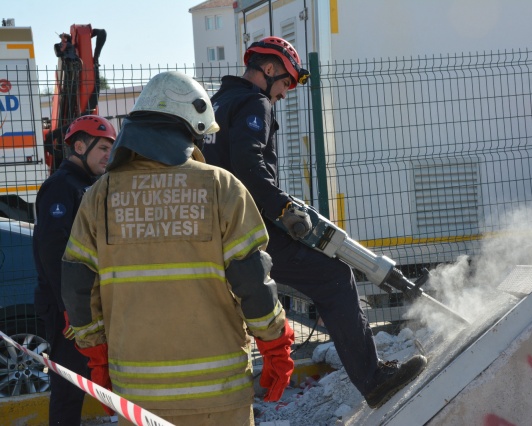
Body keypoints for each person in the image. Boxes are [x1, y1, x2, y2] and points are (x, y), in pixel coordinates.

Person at [201, 36, 428, 409]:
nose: (285, 94)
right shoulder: (253, 101)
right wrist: (284, 210)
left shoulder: (217, 103)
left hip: (218, 228)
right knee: (335, 278)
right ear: (269, 69)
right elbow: (249, 169)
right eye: (285, 83)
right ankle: (373, 381)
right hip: (246, 227)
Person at [61, 71, 293, 426]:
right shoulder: (221, 187)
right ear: (191, 129)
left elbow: (78, 288)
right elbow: (252, 281)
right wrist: (275, 344)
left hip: (138, 398)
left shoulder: (100, 197)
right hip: (220, 393)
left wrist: (97, 357)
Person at [33, 114, 116, 425]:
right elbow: (54, 252)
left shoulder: (88, 185)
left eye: (111, 148)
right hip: (67, 309)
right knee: (69, 386)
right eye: (103, 149)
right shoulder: (61, 188)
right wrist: (69, 308)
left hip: (86, 302)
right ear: (80, 146)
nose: (109, 155)